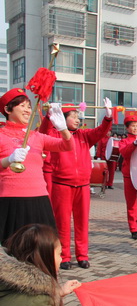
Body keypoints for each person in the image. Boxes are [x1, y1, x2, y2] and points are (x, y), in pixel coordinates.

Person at [38, 100, 113, 270]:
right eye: (73, 116)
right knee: (62, 223)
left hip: (83, 185)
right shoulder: (55, 135)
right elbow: (43, 132)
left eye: (78, 116)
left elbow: (101, 131)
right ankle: (64, 256)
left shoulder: (84, 135)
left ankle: (82, 255)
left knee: (82, 222)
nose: (77, 119)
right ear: (63, 118)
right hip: (62, 184)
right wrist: (50, 116)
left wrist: (108, 117)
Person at [0, 88, 73, 244]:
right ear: (7, 109)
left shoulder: (37, 136)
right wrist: (8, 160)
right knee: (15, 248)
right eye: (22, 106)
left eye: (29, 106)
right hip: (11, 200)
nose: (27, 110)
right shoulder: (1, 135)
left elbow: (67, 146)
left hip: (39, 198)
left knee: (42, 248)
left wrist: (63, 129)